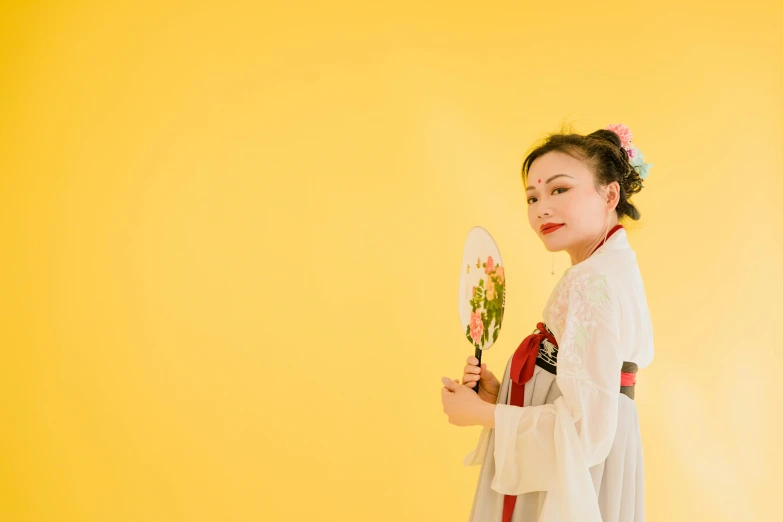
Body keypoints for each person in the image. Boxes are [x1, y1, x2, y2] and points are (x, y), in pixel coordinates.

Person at [440, 123, 655, 522]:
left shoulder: (593, 282)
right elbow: (583, 390)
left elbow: (583, 431)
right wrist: (503, 394)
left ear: (610, 194)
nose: (541, 208)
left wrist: (481, 414)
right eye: (532, 197)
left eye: (559, 190)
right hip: (599, 457)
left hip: (579, 473)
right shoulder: (607, 267)